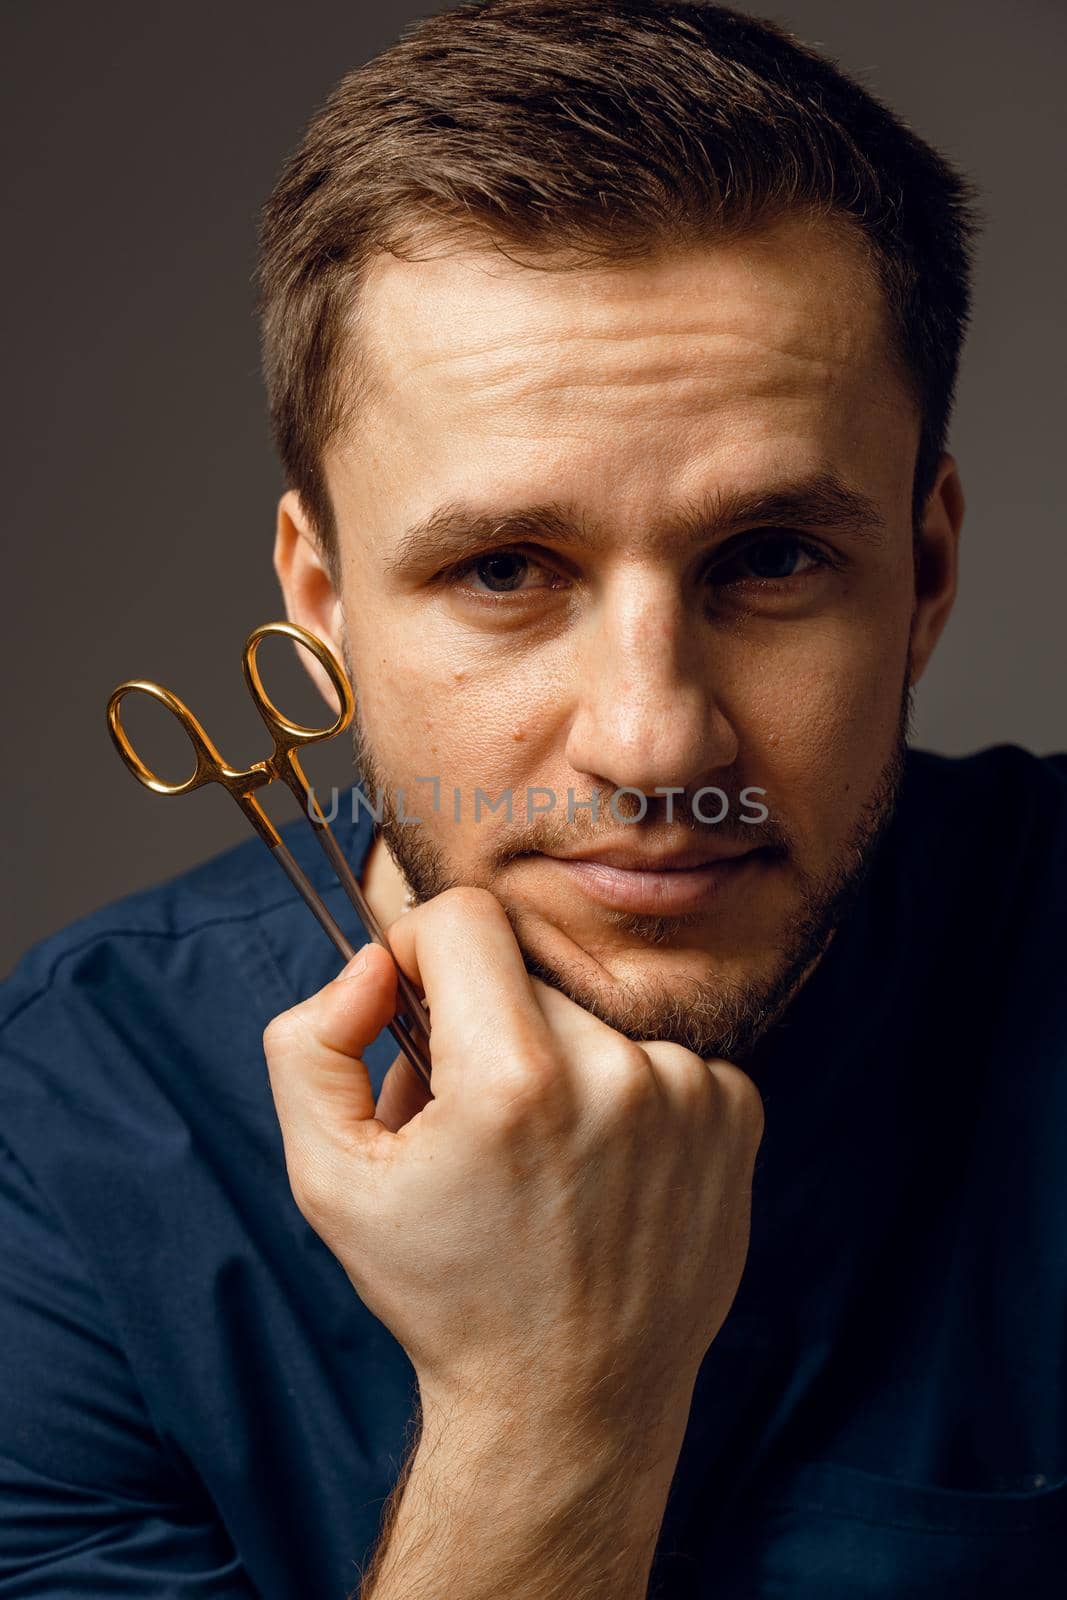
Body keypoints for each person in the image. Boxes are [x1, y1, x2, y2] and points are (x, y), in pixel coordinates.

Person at [2, 0, 1064, 1594]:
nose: (652, 748)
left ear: (924, 572)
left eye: (770, 560)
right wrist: (552, 1414)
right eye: (505, 569)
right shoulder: (78, 1127)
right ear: (324, 600)